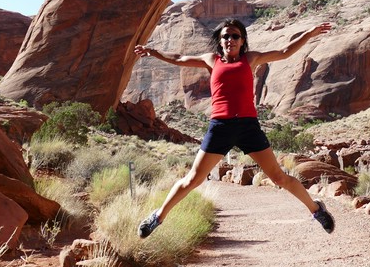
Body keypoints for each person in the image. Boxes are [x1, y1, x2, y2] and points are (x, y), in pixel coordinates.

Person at [133, 17, 335, 238]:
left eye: (235, 36)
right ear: (220, 41)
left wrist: (310, 33)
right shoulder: (211, 60)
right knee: (193, 179)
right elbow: (180, 58)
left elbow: (285, 51)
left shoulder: (251, 58)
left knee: (278, 177)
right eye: (225, 36)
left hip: (248, 126)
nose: (230, 39)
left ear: (242, 40)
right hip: (220, 127)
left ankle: (317, 210)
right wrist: (154, 52)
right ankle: (158, 217)